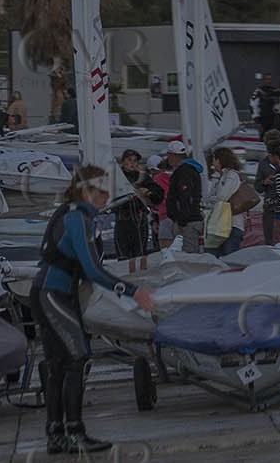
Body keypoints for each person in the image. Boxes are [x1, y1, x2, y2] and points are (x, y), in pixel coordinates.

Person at [33, 165, 157, 454]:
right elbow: (93, 269)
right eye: (101, 189)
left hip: (50, 293)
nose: (107, 195)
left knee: (59, 365)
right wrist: (133, 291)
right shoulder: (77, 218)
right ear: (85, 191)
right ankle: (73, 433)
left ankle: (57, 435)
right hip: (53, 295)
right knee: (77, 357)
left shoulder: (74, 213)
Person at [113, 149, 162, 260]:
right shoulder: (116, 177)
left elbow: (159, 195)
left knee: (140, 256)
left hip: (140, 222)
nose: (132, 163)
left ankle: (139, 277)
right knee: (123, 257)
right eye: (129, 160)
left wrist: (148, 192)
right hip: (122, 221)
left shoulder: (143, 177)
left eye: (135, 160)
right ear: (123, 161)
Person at [162, 140, 204, 253]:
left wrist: (182, 221)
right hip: (190, 219)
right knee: (187, 254)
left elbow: (185, 197)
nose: (168, 158)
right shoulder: (189, 170)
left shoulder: (183, 171)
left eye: (169, 155)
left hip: (187, 223)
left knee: (187, 255)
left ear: (174, 155)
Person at [204, 147, 246, 256]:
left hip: (231, 224)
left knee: (228, 257)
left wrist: (213, 198)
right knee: (212, 254)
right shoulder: (220, 176)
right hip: (220, 224)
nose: (212, 162)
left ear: (219, 160)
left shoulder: (231, 176)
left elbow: (222, 196)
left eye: (214, 159)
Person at [253, 129, 280, 244]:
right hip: (270, 207)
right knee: (269, 240)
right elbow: (257, 187)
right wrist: (265, 182)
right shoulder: (263, 163)